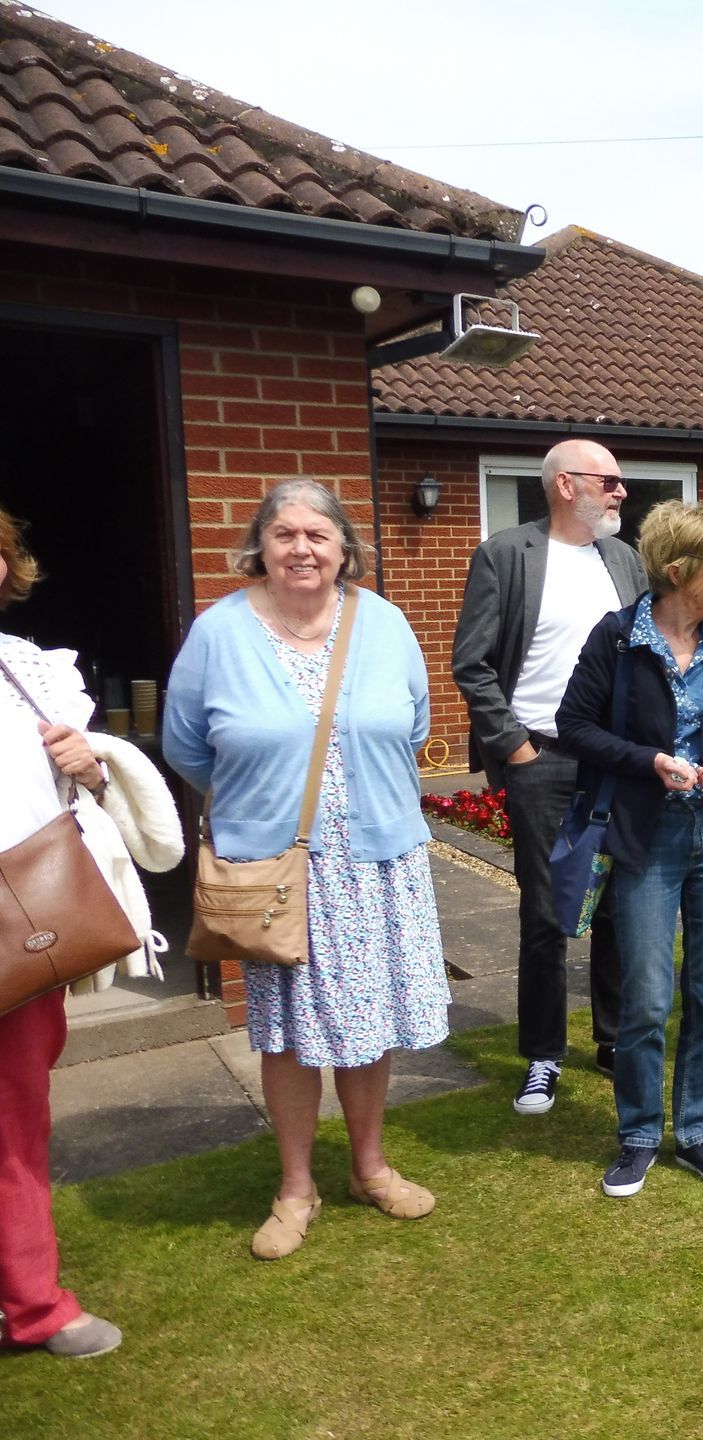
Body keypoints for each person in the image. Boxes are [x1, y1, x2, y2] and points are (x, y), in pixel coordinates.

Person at [164, 480, 449, 1259]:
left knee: (371, 1019)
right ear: (259, 546)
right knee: (286, 1032)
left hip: (376, 860)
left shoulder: (384, 623)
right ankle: (296, 1187)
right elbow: (186, 743)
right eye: (284, 534)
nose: (301, 549)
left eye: (318, 535)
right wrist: (262, 802)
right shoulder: (218, 633)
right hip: (278, 870)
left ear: (344, 549)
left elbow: (413, 724)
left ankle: (369, 1167)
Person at [0, 504, 175, 1358]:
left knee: (15, 1121)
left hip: (19, 930)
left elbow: (77, 799)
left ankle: (32, 1304)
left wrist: (90, 765)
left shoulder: (28, 672)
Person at [556, 503, 703, 1195]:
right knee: (645, 999)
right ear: (678, 571)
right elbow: (573, 725)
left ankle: (698, 1132)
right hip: (646, 840)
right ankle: (639, 1134)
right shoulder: (616, 638)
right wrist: (649, 761)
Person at [452, 439, 645, 1116]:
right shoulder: (507, 554)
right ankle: (542, 1055)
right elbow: (472, 662)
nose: (622, 492)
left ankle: (614, 1040)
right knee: (545, 913)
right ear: (567, 485)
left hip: (614, 758)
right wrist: (516, 748)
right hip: (542, 758)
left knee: (619, 906)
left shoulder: (624, 559)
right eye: (610, 481)